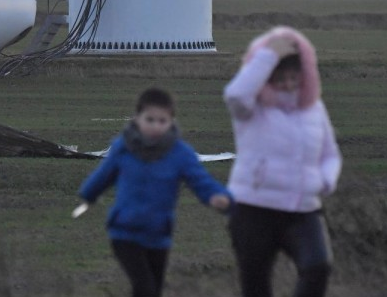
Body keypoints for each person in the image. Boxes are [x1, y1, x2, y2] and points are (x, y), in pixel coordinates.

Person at [75, 87, 231, 297]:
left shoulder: (180, 154)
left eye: (162, 121)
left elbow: (200, 181)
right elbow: (103, 175)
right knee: (144, 287)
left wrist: (217, 197)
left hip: (158, 235)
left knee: (154, 289)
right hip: (125, 232)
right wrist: (88, 194)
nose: (156, 126)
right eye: (150, 119)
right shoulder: (123, 148)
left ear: (171, 121)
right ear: (137, 118)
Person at [223, 26, 341, 297]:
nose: (288, 84)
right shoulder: (251, 108)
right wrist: (266, 55)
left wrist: (325, 179)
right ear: (267, 76)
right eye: (280, 78)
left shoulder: (314, 108)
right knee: (256, 286)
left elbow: (330, 154)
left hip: (303, 210)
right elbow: (235, 95)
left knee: (318, 266)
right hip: (253, 209)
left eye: (293, 77)